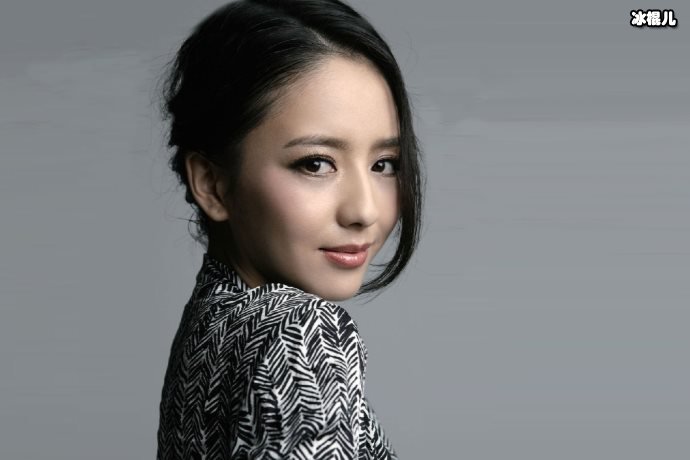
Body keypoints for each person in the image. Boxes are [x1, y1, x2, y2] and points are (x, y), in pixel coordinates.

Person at [156, 0, 424, 458]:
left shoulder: (209, 328)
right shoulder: (299, 330)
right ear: (213, 184)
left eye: (384, 164)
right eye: (316, 163)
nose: (364, 210)